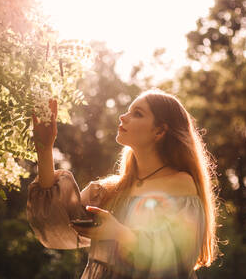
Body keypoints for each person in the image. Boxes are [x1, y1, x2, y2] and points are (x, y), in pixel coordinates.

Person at [26, 89, 218, 278]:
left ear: (160, 131)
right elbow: (55, 223)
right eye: (128, 111)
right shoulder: (109, 190)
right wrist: (44, 148)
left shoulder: (180, 183)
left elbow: (178, 256)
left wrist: (119, 233)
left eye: (137, 114)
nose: (123, 117)